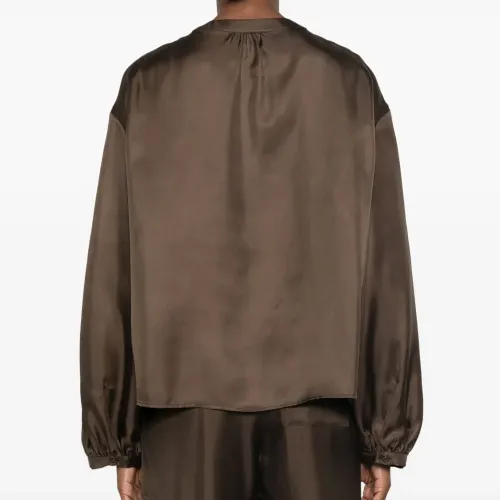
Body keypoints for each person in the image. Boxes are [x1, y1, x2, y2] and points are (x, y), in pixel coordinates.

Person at [79, 0, 423, 498]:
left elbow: (114, 266)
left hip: (181, 417)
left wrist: (120, 436)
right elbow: (385, 266)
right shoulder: (349, 81)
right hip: (320, 415)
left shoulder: (147, 84)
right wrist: (382, 432)